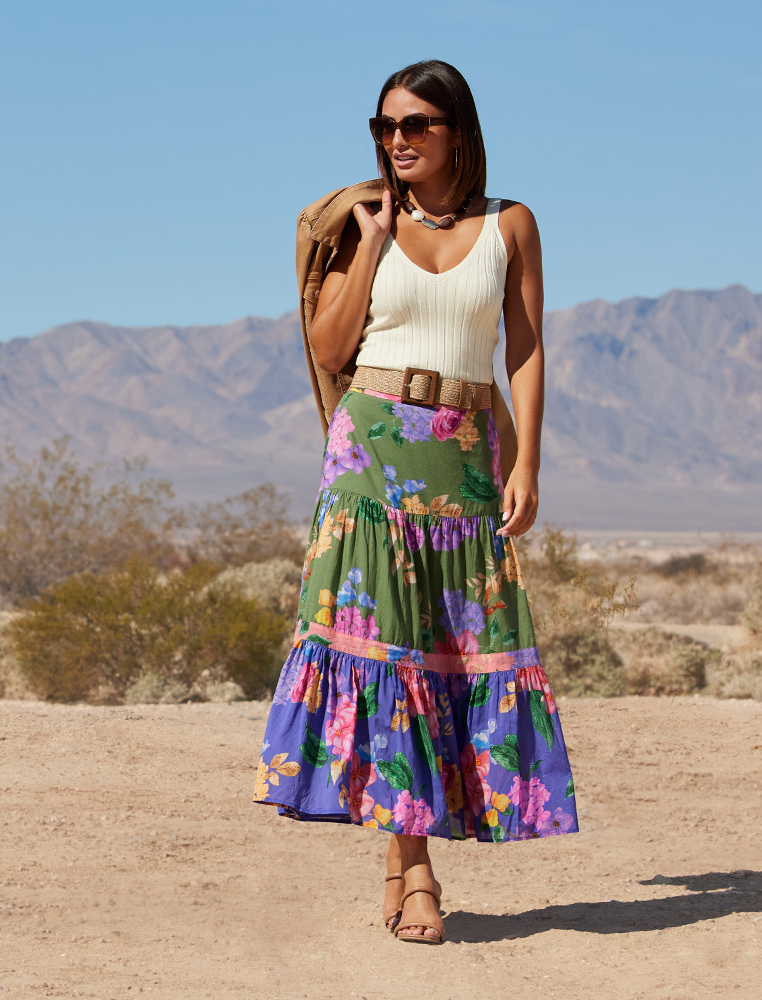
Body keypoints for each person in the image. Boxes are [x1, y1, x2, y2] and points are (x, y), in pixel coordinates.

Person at [254, 60, 578, 945]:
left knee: (446, 658)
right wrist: (373, 241)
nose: (398, 140)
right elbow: (328, 348)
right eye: (386, 126)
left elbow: (525, 348)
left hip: (468, 455)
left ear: (458, 133)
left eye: (417, 125)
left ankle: (399, 861)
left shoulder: (510, 224)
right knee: (391, 657)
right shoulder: (363, 223)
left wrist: (529, 460)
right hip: (369, 457)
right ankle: (422, 873)